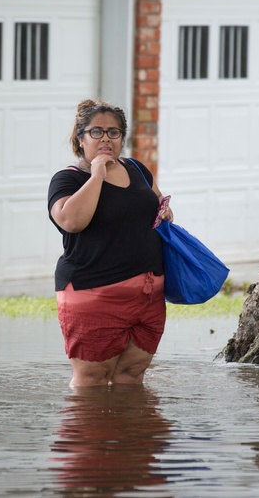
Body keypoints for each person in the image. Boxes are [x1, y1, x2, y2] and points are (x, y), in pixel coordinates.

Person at [47, 100, 172, 388]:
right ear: (81, 139)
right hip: (93, 293)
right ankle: (88, 433)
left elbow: (157, 207)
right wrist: (97, 175)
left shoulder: (138, 169)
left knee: (131, 377)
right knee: (92, 379)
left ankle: (129, 433)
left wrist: (165, 214)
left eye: (114, 133)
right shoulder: (68, 178)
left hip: (148, 296)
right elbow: (71, 221)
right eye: (96, 132)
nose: (106, 138)